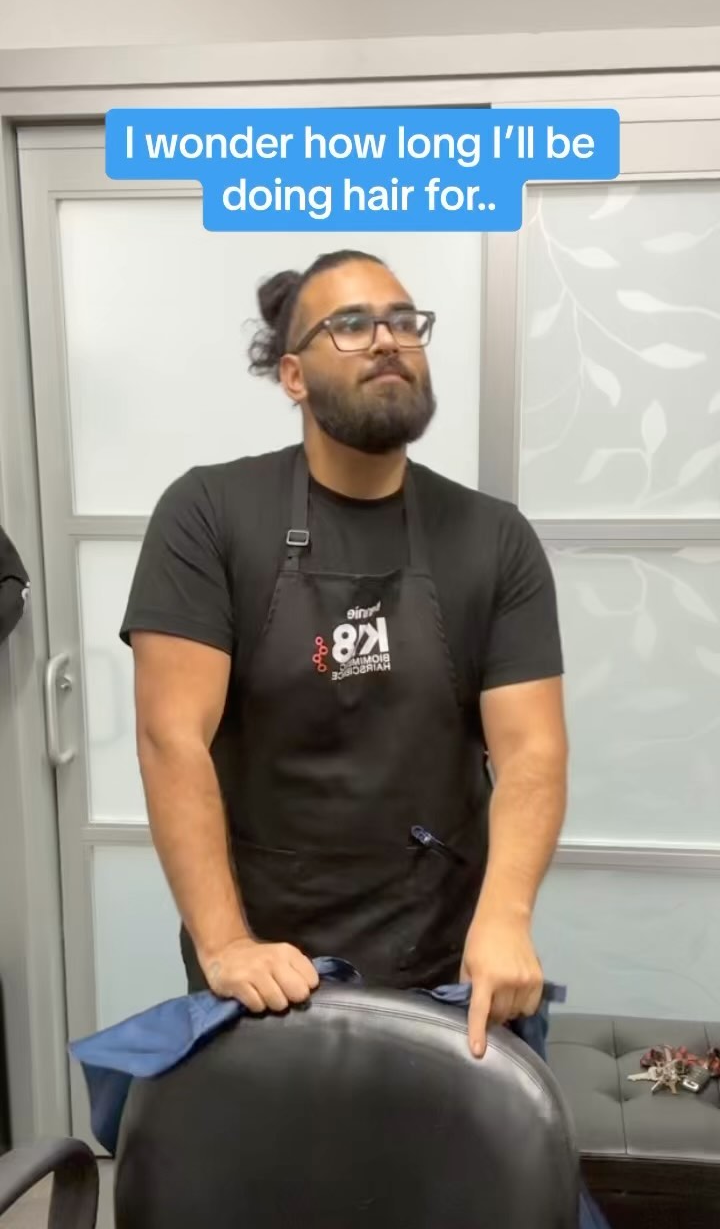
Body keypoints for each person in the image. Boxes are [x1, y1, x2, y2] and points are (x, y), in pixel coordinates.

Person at [120, 248, 568, 1058]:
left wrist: (505, 920)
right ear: (293, 376)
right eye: (352, 325)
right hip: (267, 979)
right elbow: (170, 738)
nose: (387, 339)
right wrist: (225, 945)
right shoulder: (208, 515)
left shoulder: (494, 537)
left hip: (444, 970)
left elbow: (531, 750)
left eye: (403, 321)